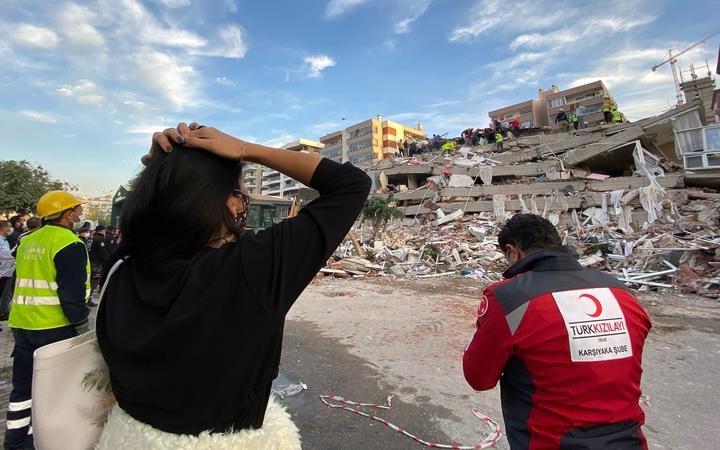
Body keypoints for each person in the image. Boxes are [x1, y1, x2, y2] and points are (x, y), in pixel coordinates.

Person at [95, 122, 371, 448]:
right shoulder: (249, 269)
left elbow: (148, 215)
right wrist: (245, 149)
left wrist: (162, 168)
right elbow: (352, 184)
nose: (244, 202)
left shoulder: (122, 268)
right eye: (240, 192)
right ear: (225, 203)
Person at [463, 214, 651, 449]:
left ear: (512, 252)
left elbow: (479, 377)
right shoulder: (621, 293)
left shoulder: (510, 298)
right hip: (629, 440)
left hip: (549, 441)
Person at [5, 192, 91, 449]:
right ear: (66, 214)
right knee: (50, 390)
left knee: (22, 389)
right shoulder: (70, 244)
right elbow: (71, 294)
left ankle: (15, 441)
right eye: (76, 210)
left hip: (23, 324)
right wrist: (82, 326)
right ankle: (38, 440)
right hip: (55, 327)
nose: (79, 215)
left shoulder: (27, 241)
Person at [0, 221, 15, 329]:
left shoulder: (4, 240)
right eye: (9, 227)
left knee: (4, 294)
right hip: (2, 272)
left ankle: (3, 312)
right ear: (3, 228)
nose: (10, 229)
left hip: (6, 271)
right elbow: (5, 255)